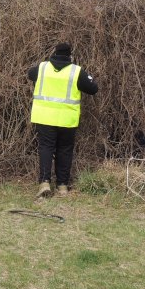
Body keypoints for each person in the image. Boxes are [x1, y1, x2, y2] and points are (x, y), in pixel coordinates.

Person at [28, 43, 98, 198]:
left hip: (44, 117)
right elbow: (93, 88)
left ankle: (45, 182)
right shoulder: (76, 71)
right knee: (64, 150)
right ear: (70, 55)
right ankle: (62, 186)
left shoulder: (42, 67)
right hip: (67, 119)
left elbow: (29, 74)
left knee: (46, 148)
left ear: (54, 52)